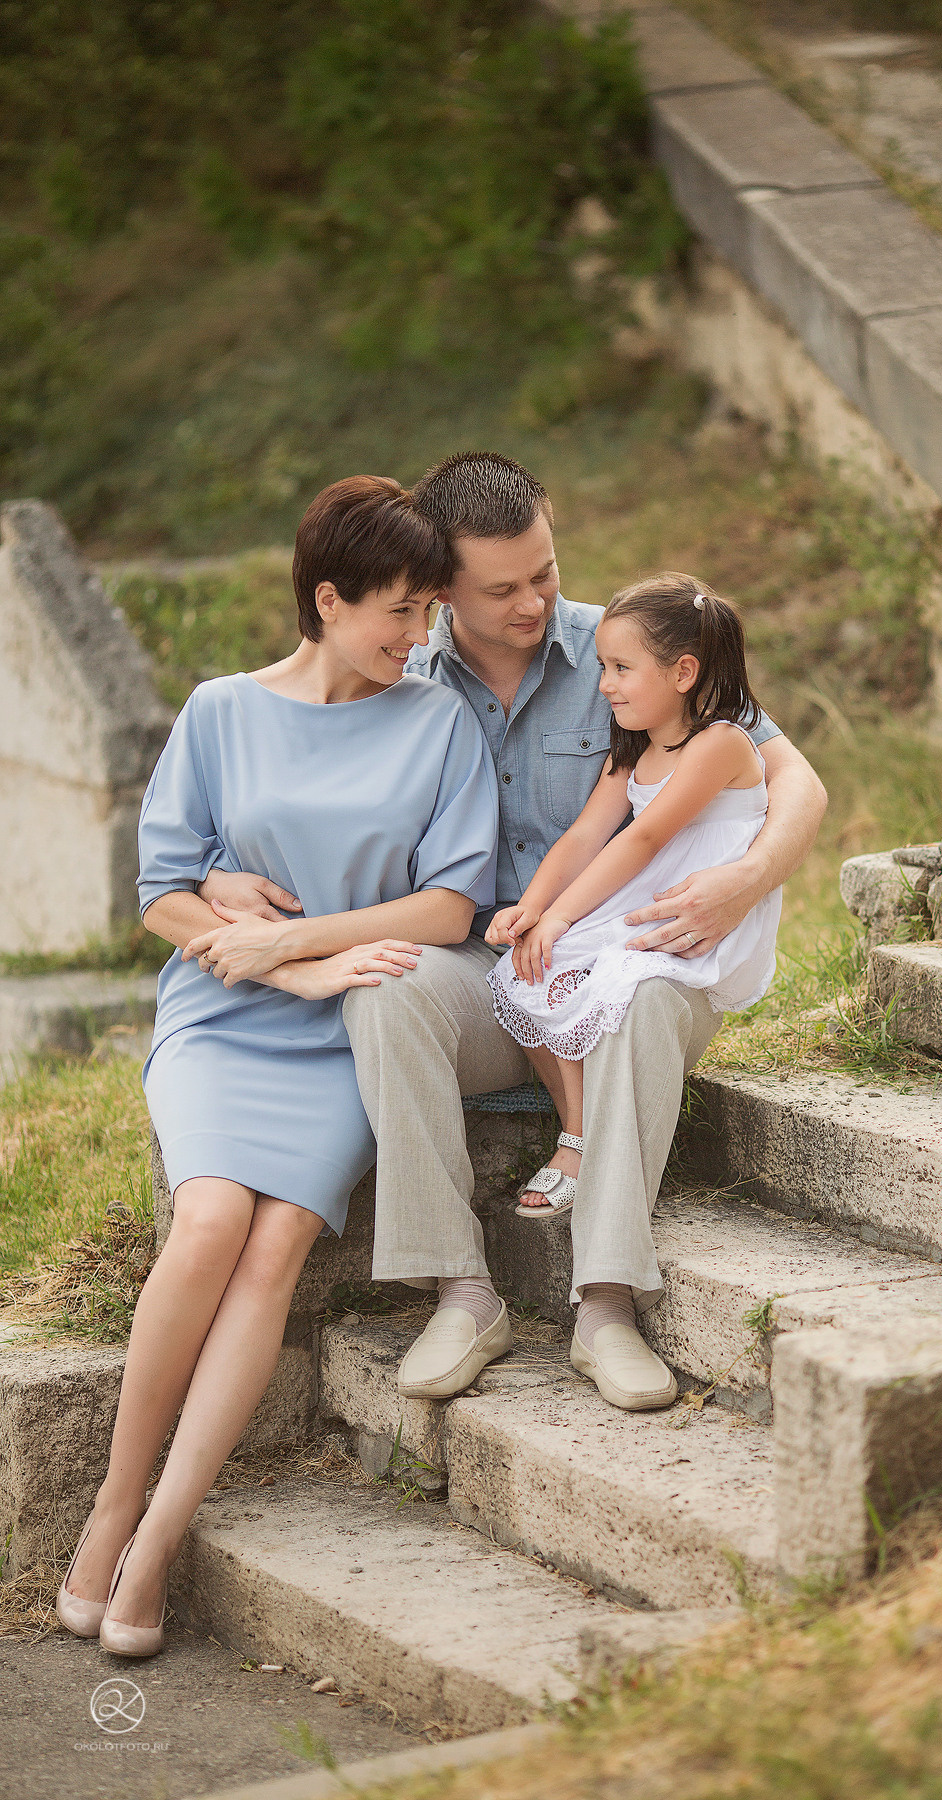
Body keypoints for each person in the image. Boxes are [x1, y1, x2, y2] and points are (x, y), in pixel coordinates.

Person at [204, 451, 827, 1414]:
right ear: (441, 588)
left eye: (546, 571)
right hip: (486, 972)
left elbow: (795, 779)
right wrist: (214, 871)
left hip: (628, 957)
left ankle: (606, 1305)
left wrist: (746, 878)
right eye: (502, 589)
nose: (535, 601)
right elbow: (296, 788)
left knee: (647, 996)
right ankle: (460, 1291)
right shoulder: (394, 670)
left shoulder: (631, 651)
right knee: (388, 990)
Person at [55, 477, 498, 1657]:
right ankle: (110, 1507)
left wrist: (300, 951)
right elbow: (162, 895)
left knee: (275, 1244)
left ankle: (158, 1542)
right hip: (224, 1013)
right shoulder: (220, 710)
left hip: (349, 1021)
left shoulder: (438, 721)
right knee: (207, 1227)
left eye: (429, 613)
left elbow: (454, 903)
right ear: (327, 598)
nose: (419, 639)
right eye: (399, 613)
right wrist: (253, 949)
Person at [484, 573, 782, 1406]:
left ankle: (607, 1297)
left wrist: (566, 914)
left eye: (620, 670)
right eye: (604, 668)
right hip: (633, 909)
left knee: (625, 982)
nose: (604, 685)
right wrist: (533, 912)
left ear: (682, 673)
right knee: (526, 974)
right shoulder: (634, 743)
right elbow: (589, 831)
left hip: (684, 924)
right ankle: (578, 1132)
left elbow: (649, 836)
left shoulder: (722, 743)